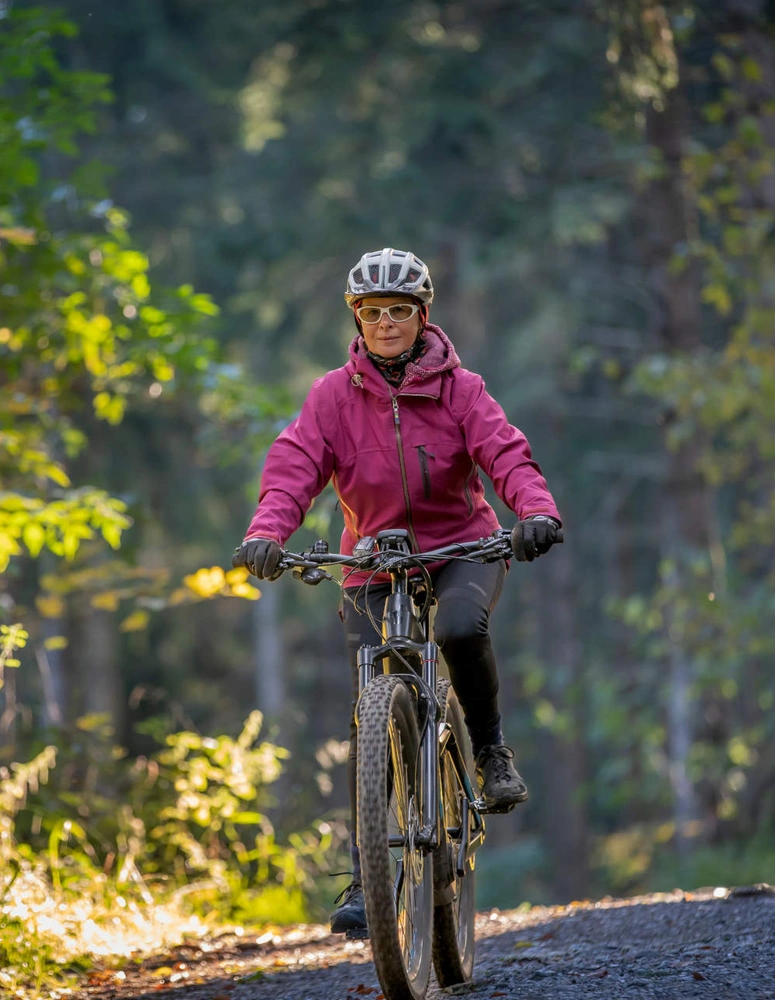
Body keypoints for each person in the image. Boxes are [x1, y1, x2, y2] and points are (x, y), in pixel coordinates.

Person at [232, 247, 562, 935]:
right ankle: (369, 874)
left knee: (459, 631)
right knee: (371, 707)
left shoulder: (460, 389)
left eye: (400, 311)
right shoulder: (332, 395)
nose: (386, 323)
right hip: (374, 562)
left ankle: (491, 751)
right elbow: (295, 463)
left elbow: (504, 450)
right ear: (357, 317)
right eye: (374, 312)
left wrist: (534, 511)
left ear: (422, 317)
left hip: (462, 548)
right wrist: (267, 531)